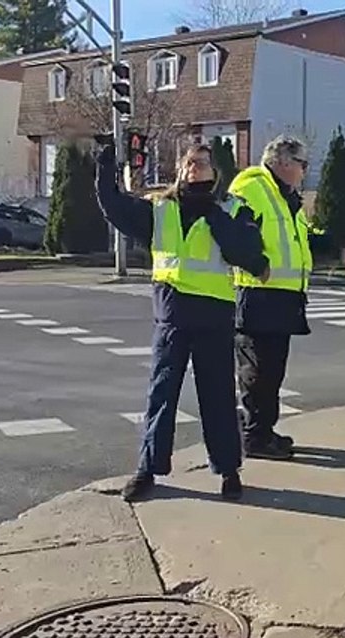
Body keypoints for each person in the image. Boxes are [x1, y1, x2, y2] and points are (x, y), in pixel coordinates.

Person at [95, 142, 270, 502]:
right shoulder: (161, 208)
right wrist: (105, 165)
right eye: (189, 162)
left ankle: (228, 470)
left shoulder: (233, 208)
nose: (195, 168)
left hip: (214, 316)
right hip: (172, 316)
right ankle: (148, 469)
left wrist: (214, 215)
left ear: (215, 172)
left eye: (202, 163)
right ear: (180, 169)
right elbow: (114, 206)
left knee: (218, 398)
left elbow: (247, 253)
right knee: (161, 396)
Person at [229, 135, 315, 460]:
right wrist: (257, 263)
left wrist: (329, 242)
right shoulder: (252, 187)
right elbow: (234, 232)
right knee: (257, 371)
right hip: (257, 294)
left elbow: (299, 237)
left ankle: (264, 430)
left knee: (273, 371)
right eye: (302, 164)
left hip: (283, 296)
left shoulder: (286, 197)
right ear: (282, 162)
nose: (305, 171)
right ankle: (254, 436)